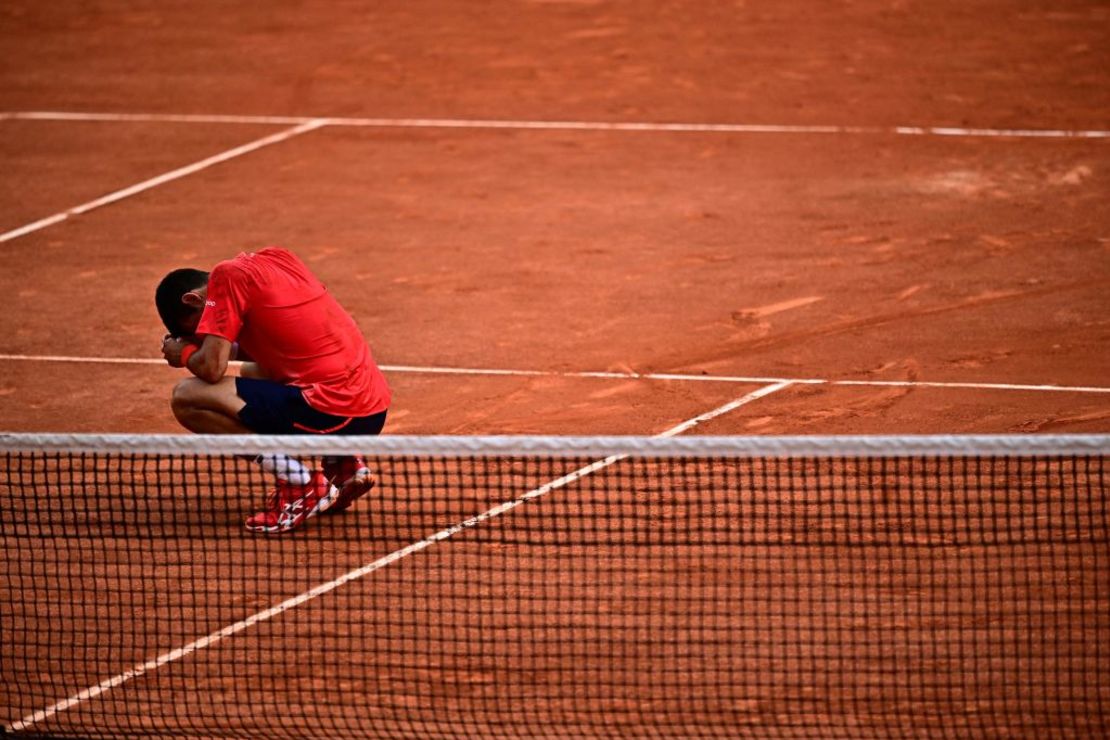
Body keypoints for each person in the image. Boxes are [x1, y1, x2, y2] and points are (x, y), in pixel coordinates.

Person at [155, 247, 391, 534]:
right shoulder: (276, 260)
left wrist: (185, 352)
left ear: (193, 299)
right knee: (253, 371)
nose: (204, 335)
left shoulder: (225, 278)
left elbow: (211, 368)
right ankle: (342, 462)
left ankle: (299, 483)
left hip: (335, 413)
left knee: (188, 398)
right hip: (370, 410)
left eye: (198, 328)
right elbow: (280, 346)